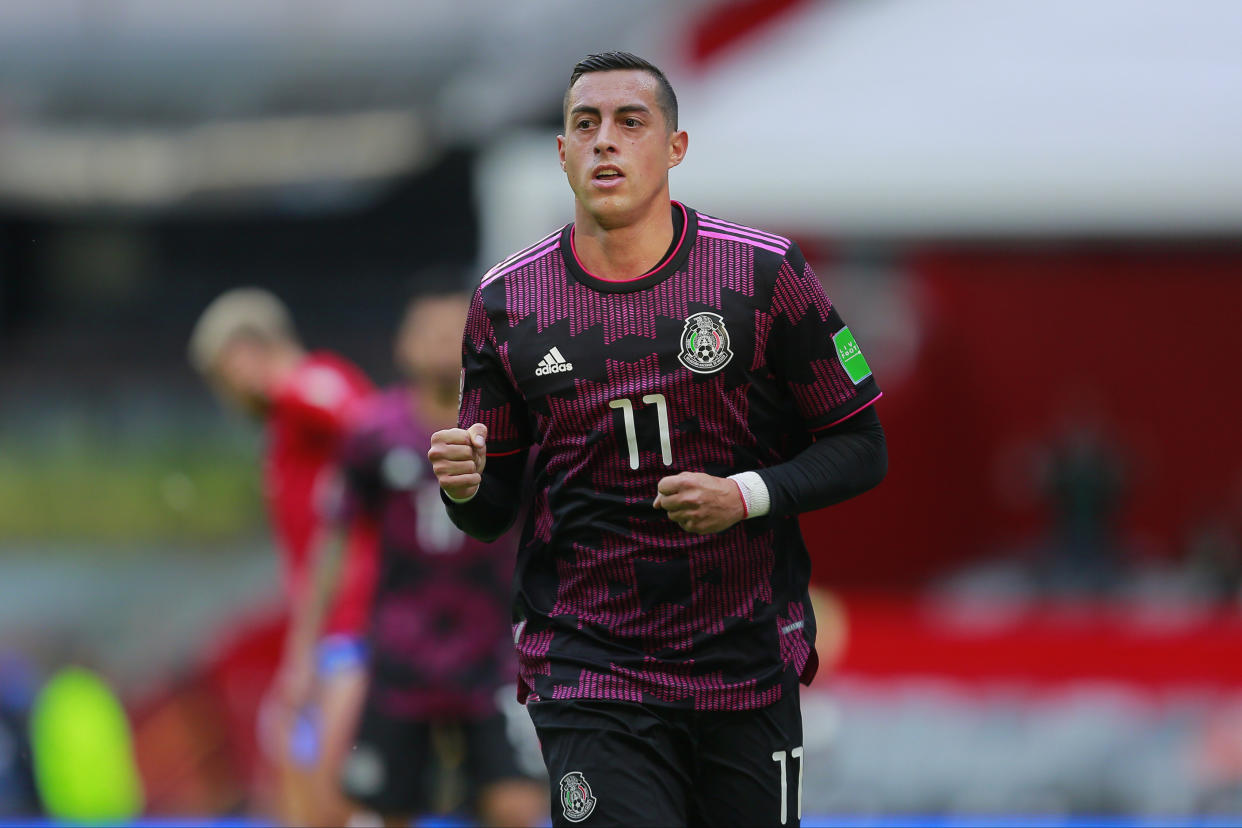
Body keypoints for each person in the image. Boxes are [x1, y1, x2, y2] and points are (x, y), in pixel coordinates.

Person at [428, 51, 888, 827]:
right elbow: (489, 512)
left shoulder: (761, 275)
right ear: (563, 153)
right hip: (590, 671)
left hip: (743, 662)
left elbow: (861, 445)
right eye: (586, 124)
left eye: (630, 122)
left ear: (674, 148)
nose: (606, 141)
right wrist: (466, 484)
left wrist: (743, 497)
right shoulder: (508, 300)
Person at [305, 292, 545, 827]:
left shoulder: (514, 428)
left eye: (452, 330)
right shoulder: (370, 432)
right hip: (400, 653)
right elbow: (335, 539)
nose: (441, 344)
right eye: (428, 331)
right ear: (403, 345)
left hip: (496, 654)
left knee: (515, 805)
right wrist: (308, 650)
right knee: (376, 809)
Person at [189, 288, 377, 826]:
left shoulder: (306, 386)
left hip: (357, 624)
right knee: (293, 789)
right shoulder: (285, 428)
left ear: (244, 354)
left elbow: (369, 429)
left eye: (223, 375)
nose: (228, 393)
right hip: (321, 630)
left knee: (334, 790)